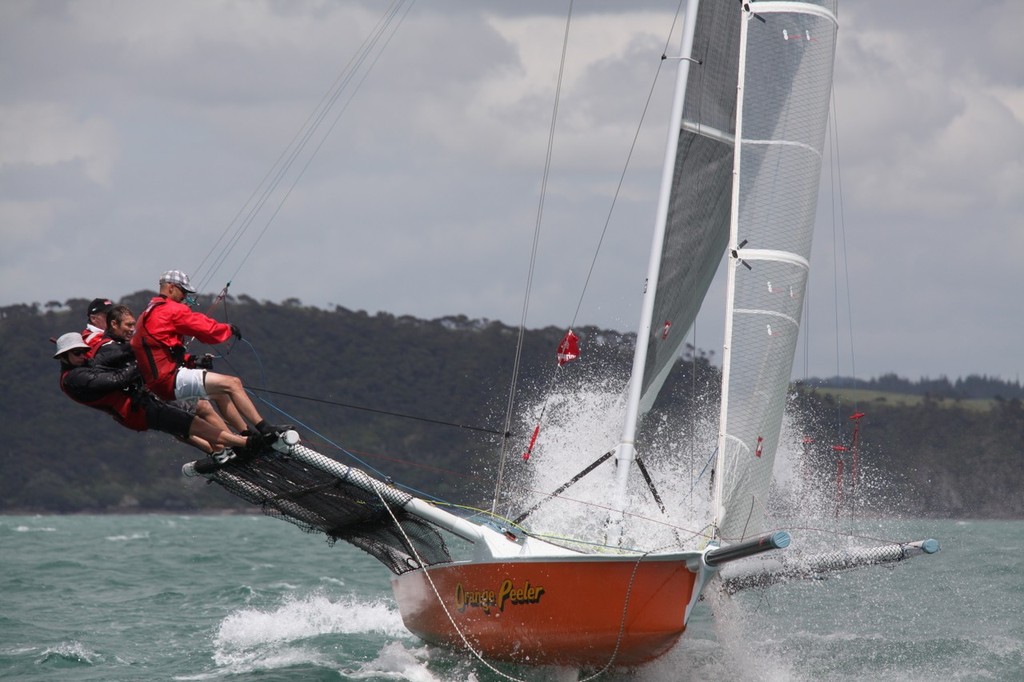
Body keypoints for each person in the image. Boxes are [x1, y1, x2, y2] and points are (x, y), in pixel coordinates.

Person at [54, 332, 263, 462]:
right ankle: (245, 444)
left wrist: (149, 345)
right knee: (193, 424)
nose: (83, 355)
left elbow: (122, 355)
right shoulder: (75, 377)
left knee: (193, 423)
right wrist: (145, 361)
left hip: (142, 403)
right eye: (77, 353)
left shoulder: (84, 364)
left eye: (83, 351)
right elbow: (118, 380)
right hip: (136, 412)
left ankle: (239, 445)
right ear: (64, 357)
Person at [131, 269, 289, 438]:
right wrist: (228, 329)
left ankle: (246, 435)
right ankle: (264, 429)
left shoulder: (148, 312)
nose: (184, 296)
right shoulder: (170, 310)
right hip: (169, 380)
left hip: (159, 382)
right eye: (183, 291)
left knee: (221, 393)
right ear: (171, 288)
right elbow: (207, 330)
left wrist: (192, 360)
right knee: (233, 383)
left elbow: (161, 351)